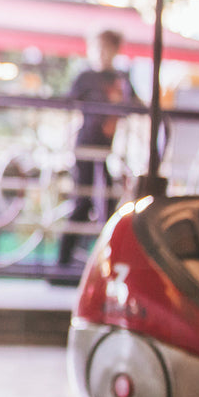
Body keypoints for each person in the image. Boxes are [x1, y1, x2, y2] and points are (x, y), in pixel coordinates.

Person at [57, 27, 139, 268]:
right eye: (97, 48)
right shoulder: (85, 77)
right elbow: (68, 102)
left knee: (107, 203)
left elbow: (136, 104)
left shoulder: (121, 79)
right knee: (84, 201)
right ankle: (64, 261)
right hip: (85, 148)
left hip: (106, 151)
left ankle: (104, 260)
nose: (101, 54)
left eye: (106, 48)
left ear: (115, 51)